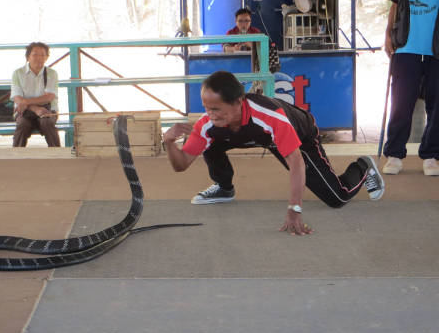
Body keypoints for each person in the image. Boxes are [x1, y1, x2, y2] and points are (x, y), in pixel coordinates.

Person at [163, 71, 385, 236]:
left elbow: (296, 162)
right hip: (253, 135)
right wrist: (169, 142)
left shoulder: (270, 117)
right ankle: (224, 187)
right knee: (210, 141)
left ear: (238, 102)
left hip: (299, 134)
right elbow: (180, 165)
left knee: (337, 197)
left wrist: (294, 208)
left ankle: (363, 167)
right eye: (206, 107)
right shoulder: (207, 124)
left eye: (216, 108)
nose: (210, 114)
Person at [382, 0, 439, 176]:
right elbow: (395, 6)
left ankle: (431, 156)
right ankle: (394, 155)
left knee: (437, 106)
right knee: (401, 104)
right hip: (406, 49)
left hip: (436, 50)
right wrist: (388, 34)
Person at [10, 42, 60, 147]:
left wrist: (26, 102)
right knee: (22, 124)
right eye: (35, 54)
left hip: (47, 110)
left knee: (47, 123)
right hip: (25, 111)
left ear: (47, 57)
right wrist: (35, 109)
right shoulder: (18, 73)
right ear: (28, 57)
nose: (39, 58)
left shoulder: (52, 73)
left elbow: (49, 97)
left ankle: (57, 153)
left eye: (43, 55)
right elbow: (17, 98)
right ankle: (16, 157)